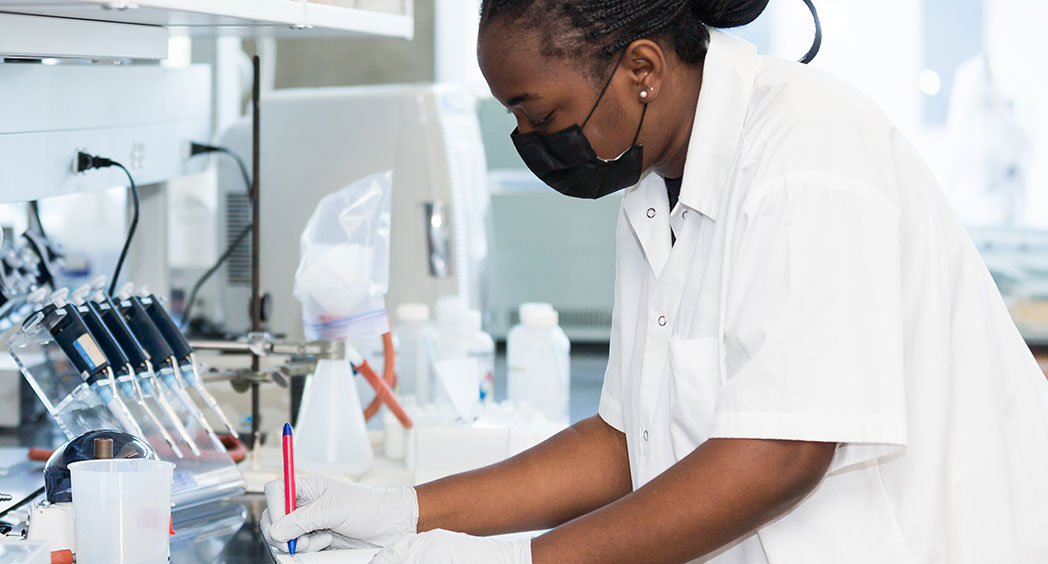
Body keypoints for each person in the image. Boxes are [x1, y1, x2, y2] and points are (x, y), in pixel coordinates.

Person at [260, 1, 1048, 562]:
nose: (530, 142)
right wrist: (409, 512)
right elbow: (623, 440)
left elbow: (780, 451)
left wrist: (523, 563)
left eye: (540, 115)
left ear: (641, 67)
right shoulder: (649, 185)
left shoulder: (806, 151)